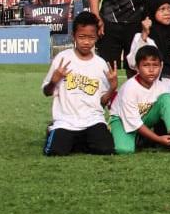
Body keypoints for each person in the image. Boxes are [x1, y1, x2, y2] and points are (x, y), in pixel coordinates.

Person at [41, 12, 116, 156]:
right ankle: (55, 131)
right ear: (73, 36)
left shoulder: (100, 64)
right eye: (82, 37)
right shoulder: (62, 59)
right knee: (55, 152)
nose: (86, 42)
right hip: (66, 120)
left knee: (106, 149)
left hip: (93, 120)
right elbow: (46, 92)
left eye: (91, 37)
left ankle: (77, 140)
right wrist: (54, 80)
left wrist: (112, 88)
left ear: (96, 37)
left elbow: (102, 102)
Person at [109, 46, 170, 155]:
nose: (151, 70)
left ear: (161, 66)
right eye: (146, 65)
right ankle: (134, 137)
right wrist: (158, 139)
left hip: (143, 117)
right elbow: (134, 122)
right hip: (121, 120)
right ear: (137, 68)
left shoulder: (161, 86)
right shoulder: (129, 88)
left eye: (155, 65)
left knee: (167, 98)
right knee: (124, 150)